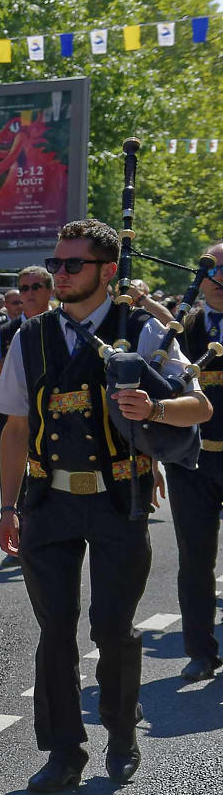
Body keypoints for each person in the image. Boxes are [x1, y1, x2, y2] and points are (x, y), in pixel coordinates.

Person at [0, 219, 211, 792]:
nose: (59, 274)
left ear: (107, 271)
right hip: (48, 499)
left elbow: (199, 408)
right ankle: (64, 750)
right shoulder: (29, 335)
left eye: (72, 265)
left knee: (113, 629)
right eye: (57, 264)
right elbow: (15, 428)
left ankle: (120, 732)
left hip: (119, 498)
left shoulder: (140, 330)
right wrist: (7, 507)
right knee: (55, 629)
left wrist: (155, 412)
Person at [166, 242, 223, 682]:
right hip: (193, 463)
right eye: (209, 270)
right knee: (195, 559)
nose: (216, 279)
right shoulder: (181, 328)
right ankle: (201, 650)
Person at [0, 268, 51, 491]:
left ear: (50, 290)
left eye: (36, 287)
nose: (28, 294)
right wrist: (16, 355)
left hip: (50, 411)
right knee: (14, 483)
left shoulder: (64, 323)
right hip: (10, 412)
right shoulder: (6, 330)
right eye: (24, 288)